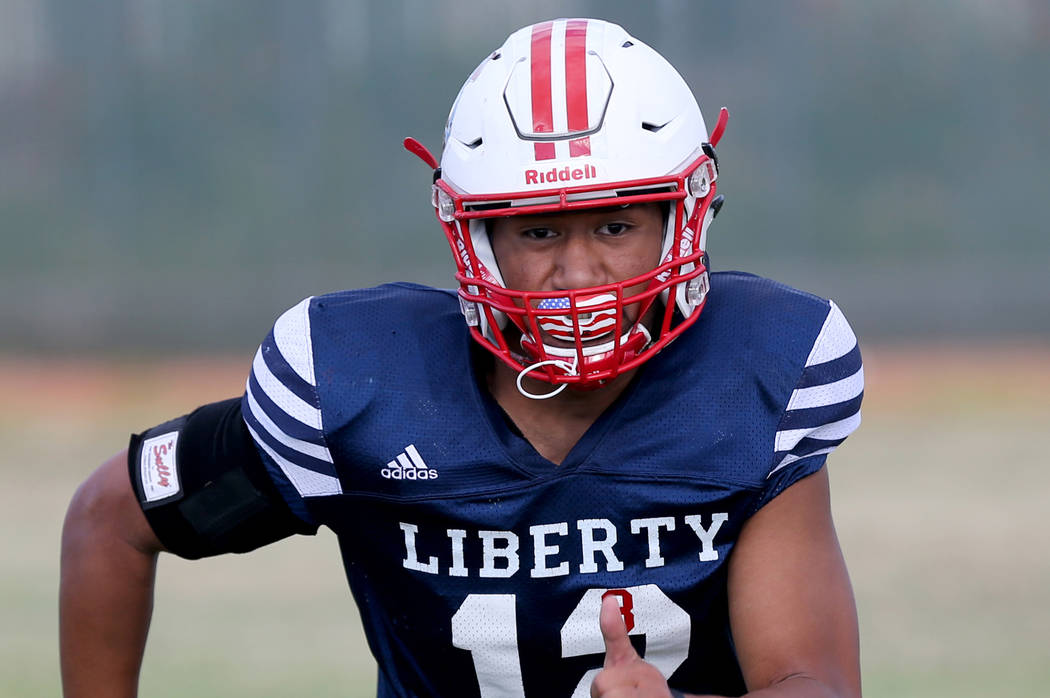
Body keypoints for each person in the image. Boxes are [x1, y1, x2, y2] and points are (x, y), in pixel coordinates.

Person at [60, 18, 864, 698]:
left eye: (615, 227)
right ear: (476, 236)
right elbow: (109, 523)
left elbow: (813, 679)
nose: (577, 273)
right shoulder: (357, 393)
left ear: (681, 219)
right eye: (538, 231)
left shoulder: (756, 381)